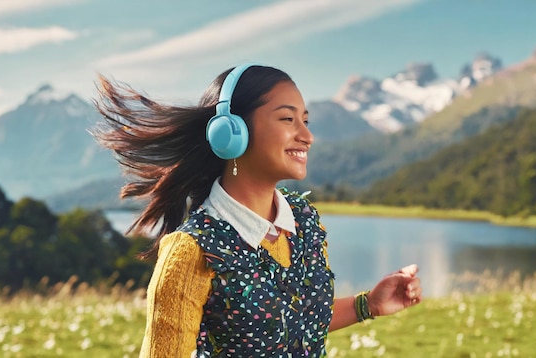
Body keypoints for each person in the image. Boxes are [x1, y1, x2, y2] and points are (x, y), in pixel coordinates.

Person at [93, 63, 422, 357]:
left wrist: (368, 305)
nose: (306, 136)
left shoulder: (304, 221)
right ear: (231, 132)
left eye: (305, 121)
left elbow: (296, 324)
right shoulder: (192, 251)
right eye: (287, 119)